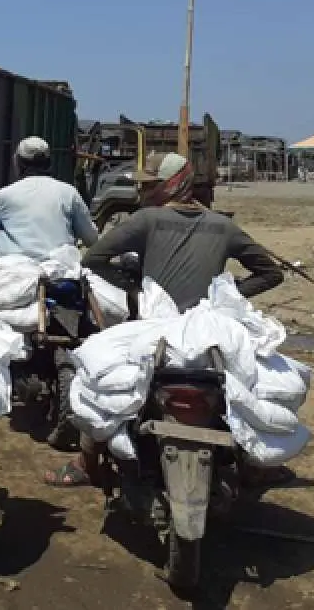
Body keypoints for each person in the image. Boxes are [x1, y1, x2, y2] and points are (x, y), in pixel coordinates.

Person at [50, 151, 284, 488]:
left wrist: (135, 287)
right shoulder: (224, 227)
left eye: (151, 185)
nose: (144, 193)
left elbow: (94, 258)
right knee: (253, 386)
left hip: (157, 332)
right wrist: (226, 298)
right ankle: (253, 463)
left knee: (98, 380)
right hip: (211, 332)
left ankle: (87, 462)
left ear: (172, 184)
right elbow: (270, 273)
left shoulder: (146, 220)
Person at [0, 137, 99, 257]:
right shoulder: (69, 193)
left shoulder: (5, 195)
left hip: (15, 273)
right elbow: (91, 238)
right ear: (49, 163)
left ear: (18, 163)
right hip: (61, 273)